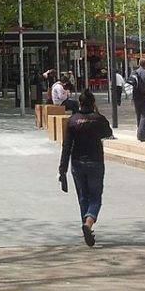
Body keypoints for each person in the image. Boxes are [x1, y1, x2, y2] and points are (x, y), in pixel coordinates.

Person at [58, 89, 113, 247]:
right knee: (95, 196)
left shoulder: (72, 120)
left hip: (77, 163)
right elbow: (108, 132)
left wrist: (62, 169)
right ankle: (88, 224)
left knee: (83, 197)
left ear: (79, 103)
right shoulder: (98, 119)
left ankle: (86, 225)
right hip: (95, 161)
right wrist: (97, 114)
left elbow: (66, 146)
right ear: (93, 103)